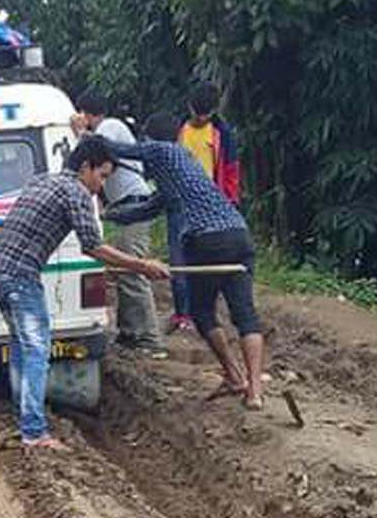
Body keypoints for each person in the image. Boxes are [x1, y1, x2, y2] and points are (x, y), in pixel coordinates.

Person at [0, 137, 170, 451]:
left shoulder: (44, 181)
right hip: (18, 275)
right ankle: (33, 432)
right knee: (36, 352)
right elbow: (93, 246)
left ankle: (26, 418)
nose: (101, 185)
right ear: (85, 167)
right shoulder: (76, 192)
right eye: (102, 176)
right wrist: (141, 265)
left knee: (23, 347)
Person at [103, 113, 267, 410]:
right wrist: (106, 216)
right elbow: (146, 210)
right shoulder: (180, 173)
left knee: (202, 313)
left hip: (206, 240)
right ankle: (253, 391)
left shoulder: (162, 149)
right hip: (239, 236)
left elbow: (118, 150)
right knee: (245, 315)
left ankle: (234, 374)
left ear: (149, 138)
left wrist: (83, 133)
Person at [70, 92, 167, 360]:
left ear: (88, 114)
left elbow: (104, 151)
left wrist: (80, 134)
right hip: (126, 206)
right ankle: (130, 333)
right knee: (124, 269)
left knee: (133, 268)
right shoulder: (107, 128)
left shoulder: (109, 126)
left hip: (135, 205)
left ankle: (150, 338)